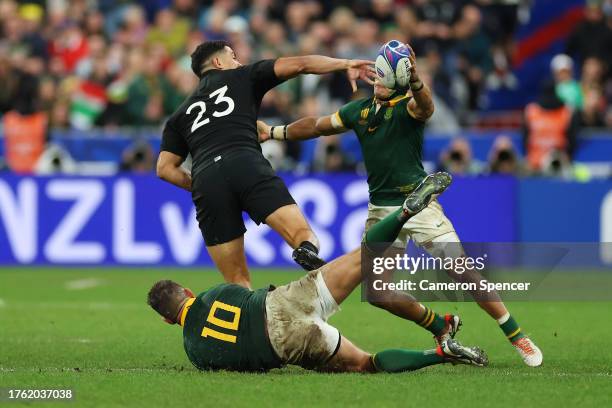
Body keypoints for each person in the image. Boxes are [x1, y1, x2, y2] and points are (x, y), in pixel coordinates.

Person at [257, 41, 543, 367]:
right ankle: (440, 324)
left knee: (461, 271)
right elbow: (317, 126)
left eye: (381, 77)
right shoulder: (359, 111)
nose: (374, 82)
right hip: (381, 211)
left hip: (418, 203)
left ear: (397, 79)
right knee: (378, 293)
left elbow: (427, 107)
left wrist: (417, 80)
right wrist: (275, 133)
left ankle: (516, 335)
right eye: (375, 76)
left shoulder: (407, 108)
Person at [147, 172, 489, 372]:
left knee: (366, 364)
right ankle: (403, 213)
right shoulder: (214, 294)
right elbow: (248, 295)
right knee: (365, 255)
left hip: (287, 344)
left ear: (167, 320)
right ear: (188, 293)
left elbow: (235, 361)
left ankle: (442, 354)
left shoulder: (194, 351)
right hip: (283, 301)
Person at [156, 40, 375, 287]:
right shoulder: (242, 76)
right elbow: (301, 64)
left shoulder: (179, 115)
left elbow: (164, 169)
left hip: (206, 178)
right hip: (245, 161)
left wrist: (199, 186)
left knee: (236, 282)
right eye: (233, 56)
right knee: (304, 236)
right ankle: (304, 250)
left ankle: (249, 316)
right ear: (219, 62)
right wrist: (345, 63)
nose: (238, 61)